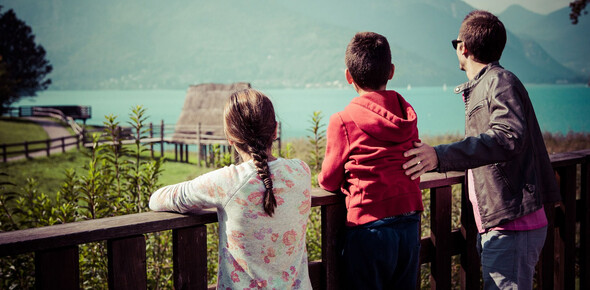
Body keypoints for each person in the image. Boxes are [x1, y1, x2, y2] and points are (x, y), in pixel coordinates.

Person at [402, 10, 561, 289]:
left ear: (463, 47)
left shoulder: (499, 81)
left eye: (456, 44)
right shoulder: (489, 83)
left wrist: (440, 155)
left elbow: (508, 136)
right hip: (501, 224)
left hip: (511, 224)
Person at [149, 89, 312, 289]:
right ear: (275, 130)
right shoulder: (301, 172)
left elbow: (157, 199)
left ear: (230, 138)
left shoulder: (227, 182)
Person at [318, 31, 423, 290]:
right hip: (409, 224)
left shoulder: (342, 121)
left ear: (348, 76)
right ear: (391, 71)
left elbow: (329, 181)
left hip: (369, 229)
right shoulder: (408, 116)